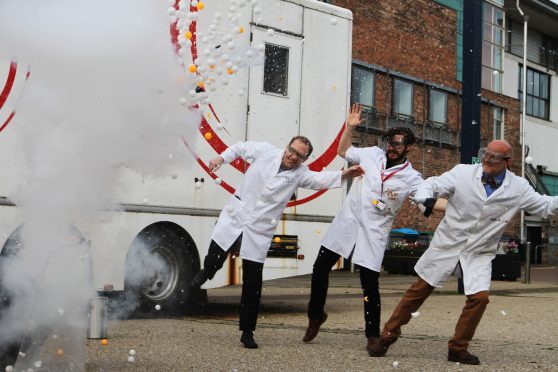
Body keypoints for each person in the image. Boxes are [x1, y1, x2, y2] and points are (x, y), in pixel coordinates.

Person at [368, 139, 558, 365]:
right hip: (447, 244)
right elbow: (432, 184)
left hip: (478, 251)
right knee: (417, 292)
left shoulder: (518, 187)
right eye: (485, 153)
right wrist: (424, 196)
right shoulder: (463, 173)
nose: (487, 159)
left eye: (494, 157)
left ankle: (458, 348)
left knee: (479, 298)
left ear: (507, 162)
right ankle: (387, 337)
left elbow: (545, 205)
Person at [191, 136, 364, 348]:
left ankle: (247, 331)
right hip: (236, 214)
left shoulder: (300, 173)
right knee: (214, 260)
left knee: (253, 282)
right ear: (287, 147)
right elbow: (239, 148)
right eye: (292, 151)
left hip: (259, 228)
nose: (293, 157)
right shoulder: (265, 150)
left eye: (300, 156)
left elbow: (320, 180)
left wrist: (345, 174)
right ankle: (202, 276)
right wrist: (221, 158)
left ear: (305, 159)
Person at [303, 104, 428, 355]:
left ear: (408, 148)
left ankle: (372, 335)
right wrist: (349, 126)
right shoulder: (371, 154)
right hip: (347, 221)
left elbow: (427, 201)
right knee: (319, 269)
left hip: (374, 231)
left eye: (397, 145)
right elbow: (343, 151)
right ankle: (316, 315)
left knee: (369, 284)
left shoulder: (412, 177)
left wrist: (448, 207)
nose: (391, 149)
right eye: (389, 144)